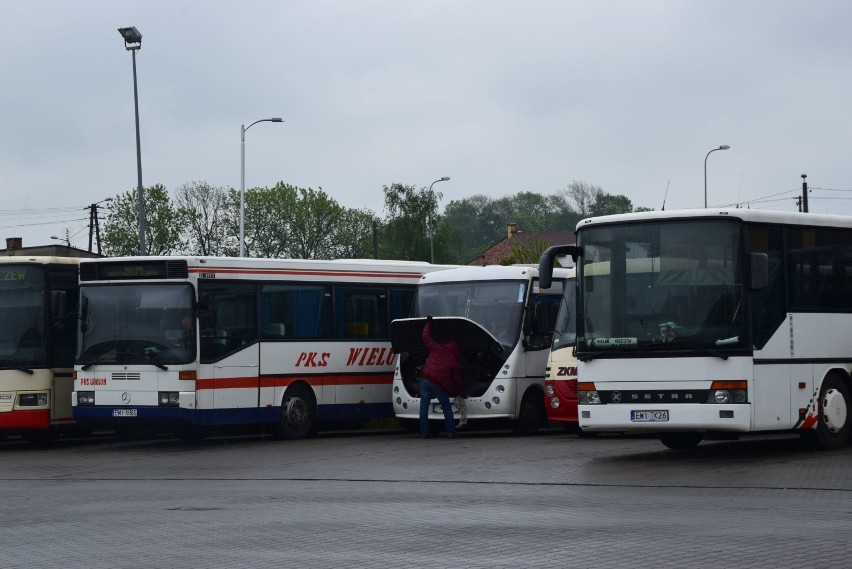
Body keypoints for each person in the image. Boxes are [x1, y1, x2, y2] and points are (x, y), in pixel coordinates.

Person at [420, 315, 463, 438]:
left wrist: (428, 323)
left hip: (426, 379)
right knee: (446, 407)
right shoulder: (454, 361)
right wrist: (461, 392)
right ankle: (451, 432)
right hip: (439, 385)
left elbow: (426, 337)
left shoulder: (437, 348)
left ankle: (424, 433)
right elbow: (457, 380)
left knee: (423, 408)